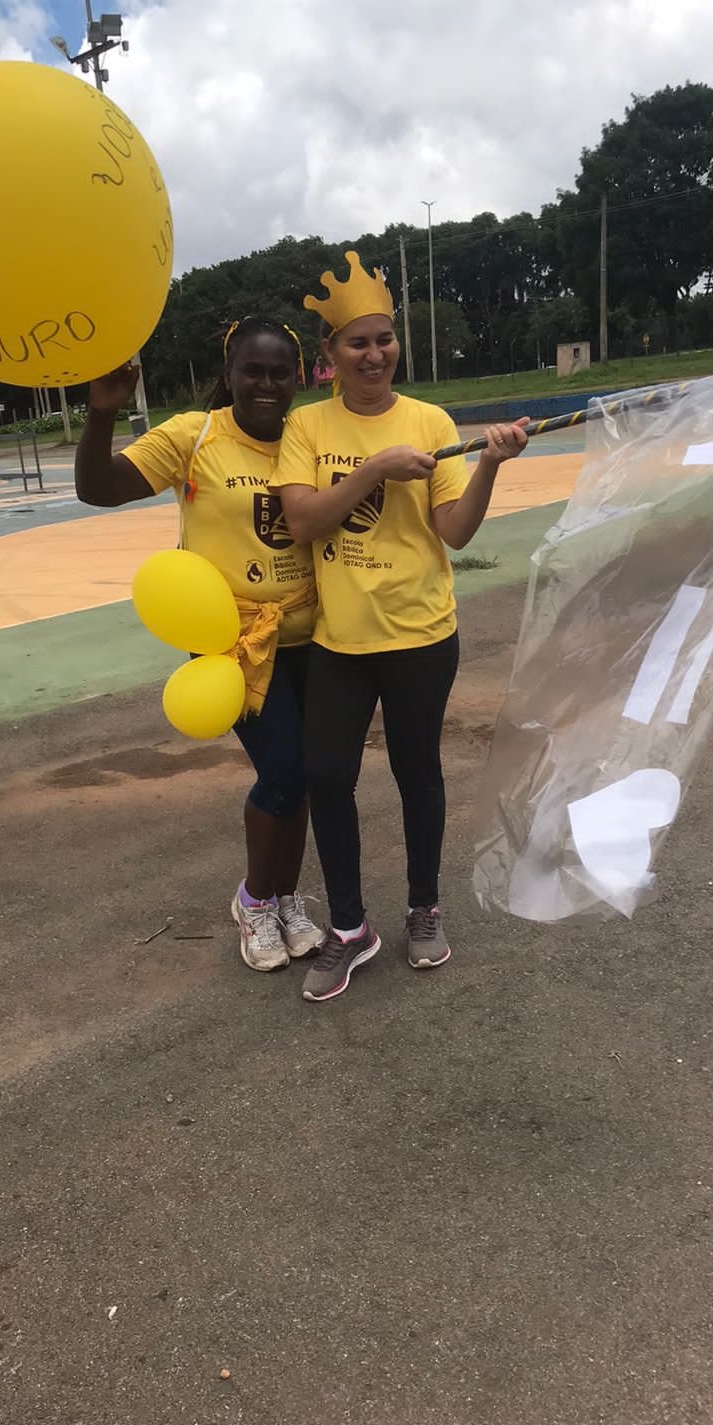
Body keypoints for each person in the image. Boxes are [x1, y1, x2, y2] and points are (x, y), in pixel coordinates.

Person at [275, 252, 528, 1003]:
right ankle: (350, 927)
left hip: (421, 635)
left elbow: (455, 532)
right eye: (357, 342)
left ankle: (424, 908)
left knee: (418, 773)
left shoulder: (431, 421)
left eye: (383, 339)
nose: (374, 354)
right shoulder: (306, 425)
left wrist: (489, 466)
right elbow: (302, 522)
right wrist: (374, 469)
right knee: (327, 775)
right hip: (340, 642)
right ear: (330, 355)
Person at [75, 321, 325, 973]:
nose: (267, 384)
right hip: (232, 645)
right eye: (253, 371)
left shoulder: (311, 437)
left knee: (305, 777)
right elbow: (98, 487)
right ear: (229, 373)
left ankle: (287, 897)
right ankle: (254, 901)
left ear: (298, 377)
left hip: (314, 636)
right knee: (282, 771)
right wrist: (101, 413)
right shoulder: (196, 436)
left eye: (280, 372)